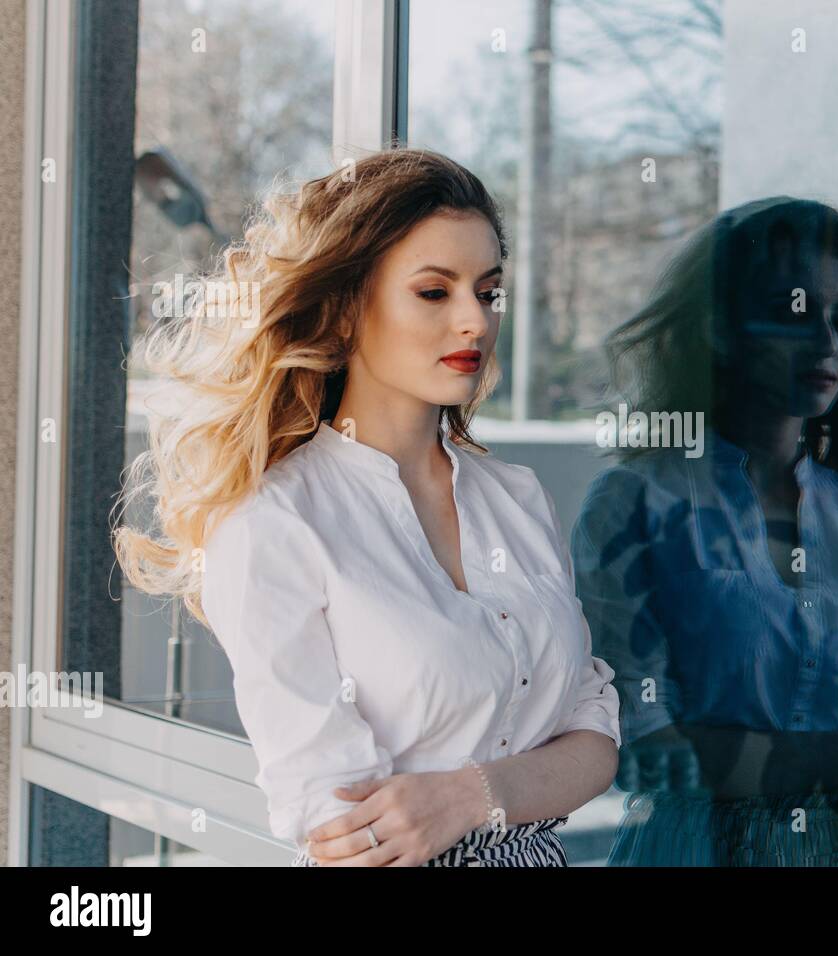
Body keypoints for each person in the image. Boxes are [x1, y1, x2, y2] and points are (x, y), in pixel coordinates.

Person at [113, 148, 620, 867]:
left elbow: (597, 737)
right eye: (434, 292)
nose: (474, 320)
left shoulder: (517, 497)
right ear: (348, 308)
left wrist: (469, 795)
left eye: (489, 290)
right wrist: (521, 784)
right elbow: (346, 830)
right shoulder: (273, 524)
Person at [572, 197, 838, 866]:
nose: (826, 343)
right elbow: (642, 752)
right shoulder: (635, 503)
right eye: (794, 313)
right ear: (720, 329)